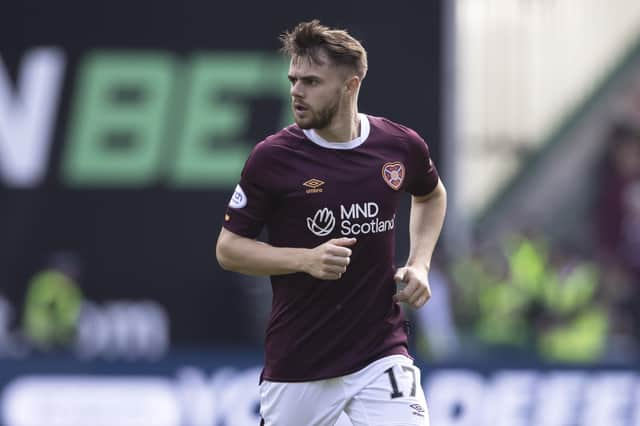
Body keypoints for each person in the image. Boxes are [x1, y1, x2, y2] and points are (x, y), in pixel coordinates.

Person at [216, 20, 446, 426]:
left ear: (350, 86)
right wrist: (305, 260)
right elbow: (229, 249)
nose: (296, 92)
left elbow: (430, 194)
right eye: (293, 80)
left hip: (380, 354)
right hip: (299, 363)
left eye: (311, 82)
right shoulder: (273, 158)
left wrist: (420, 263)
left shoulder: (398, 146)